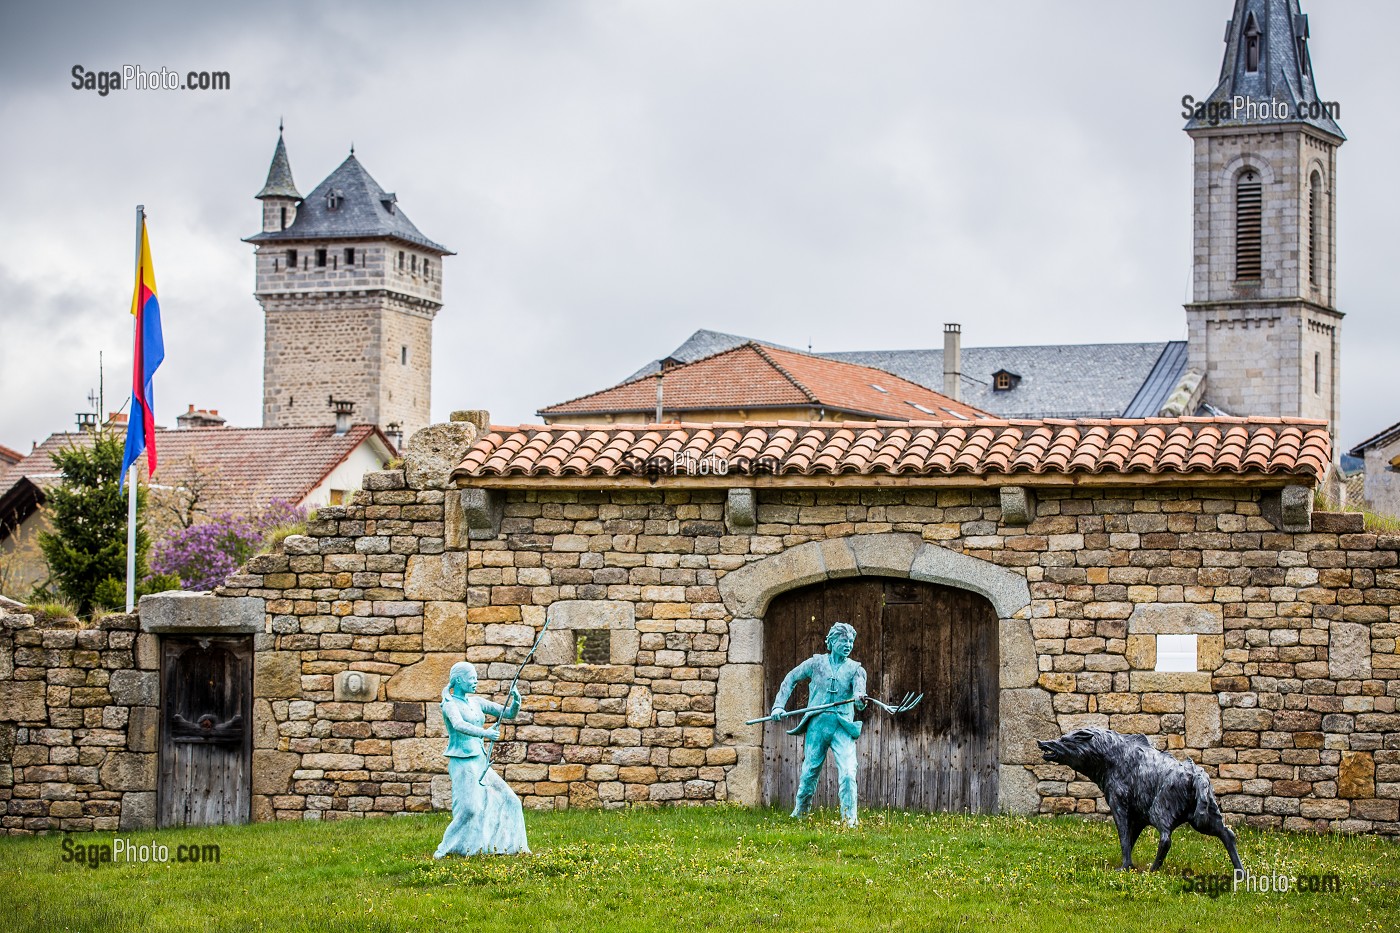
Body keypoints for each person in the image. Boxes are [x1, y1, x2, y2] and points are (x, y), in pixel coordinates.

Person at [769, 621, 868, 827]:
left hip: (842, 726)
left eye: (851, 641)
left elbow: (860, 697)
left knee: (849, 773)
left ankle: (850, 820)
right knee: (809, 772)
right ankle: (800, 812)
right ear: (831, 642)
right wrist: (778, 706)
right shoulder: (816, 663)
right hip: (817, 725)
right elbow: (790, 678)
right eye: (843, 640)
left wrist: (860, 699)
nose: (848, 644)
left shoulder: (856, 670)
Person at [433, 661, 529, 857]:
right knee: (469, 809)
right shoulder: (449, 704)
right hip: (462, 760)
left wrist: (516, 701)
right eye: (472, 678)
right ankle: (446, 848)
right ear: (459, 680)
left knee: (511, 799)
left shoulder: (476, 702)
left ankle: (510, 846)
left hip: (479, 760)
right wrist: (484, 733)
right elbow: (458, 724)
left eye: (476, 678)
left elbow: (508, 713)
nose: (476, 681)